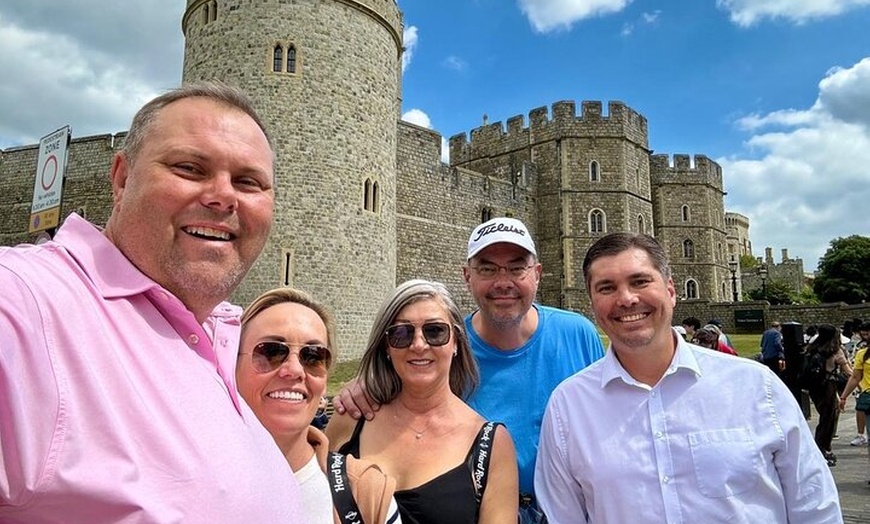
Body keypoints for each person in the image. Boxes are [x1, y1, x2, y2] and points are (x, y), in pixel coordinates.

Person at [0, 82, 303, 523]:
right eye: (189, 168)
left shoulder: (215, 335)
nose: (223, 196)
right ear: (122, 178)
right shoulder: (27, 302)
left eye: (248, 181)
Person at [535, 232, 841, 522]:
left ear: (671, 290)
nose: (626, 299)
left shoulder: (756, 386)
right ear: (592, 302)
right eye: (606, 287)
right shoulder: (569, 405)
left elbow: (814, 505)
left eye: (640, 281)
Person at [334, 217, 605, 521]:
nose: (503, 282)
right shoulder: (441, 347)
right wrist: (365, 384)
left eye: (517, 268)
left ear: (537, 274)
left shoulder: (578, 335)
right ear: (467, 276)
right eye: (487, 269)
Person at [326, 279, 519, 523]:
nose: (418, 344)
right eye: (401, 333)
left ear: (456, 343)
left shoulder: (491, 445)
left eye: (435, 331)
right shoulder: (350, 419)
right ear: (387, 346)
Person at [237, 287, 402, 523]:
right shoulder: (182, 483)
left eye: (313, 356)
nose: (294, 370)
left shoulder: (368, 496)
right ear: (231, 366)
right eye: (271, 352)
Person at [804, 324, 852, 465]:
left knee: (824, 416)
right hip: (828, 386)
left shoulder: (813, 348)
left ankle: (821, 447)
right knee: (829, 418)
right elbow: (848, 371)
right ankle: (823, 448)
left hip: (814, 387)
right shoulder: (835, 350)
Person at [840, 321, 870, 446]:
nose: (866, 338)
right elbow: (855, 377)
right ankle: (861, 434)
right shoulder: (862, 353)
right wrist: (843, 396)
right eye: (864, 335)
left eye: (867, 334)